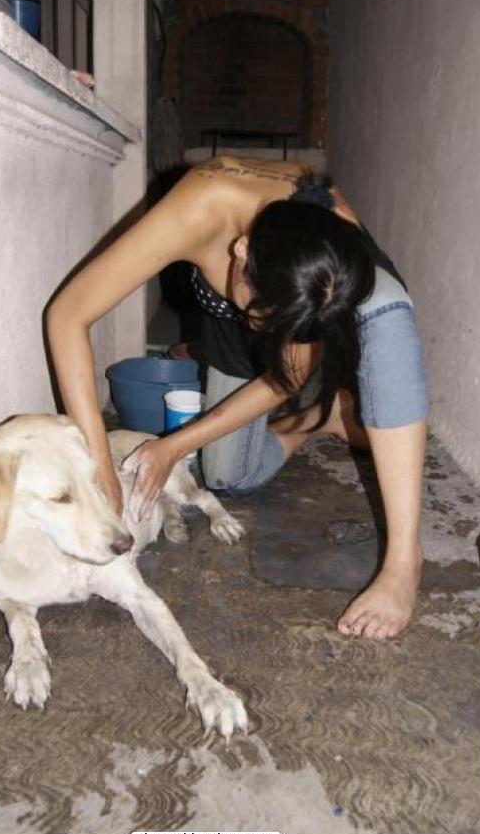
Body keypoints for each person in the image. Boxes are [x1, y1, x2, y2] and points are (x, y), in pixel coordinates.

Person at [46, 155, 429, 641]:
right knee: (230, 476)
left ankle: (403, 560)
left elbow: (290, 372)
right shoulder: (195, 211)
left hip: (301, 286)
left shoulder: (326, 248)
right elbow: (67, 316)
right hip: (240, 307)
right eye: (263, 318)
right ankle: (320, 418)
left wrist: (174, 445)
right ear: (242, 250)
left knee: (388, 315)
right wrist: (100, 467)